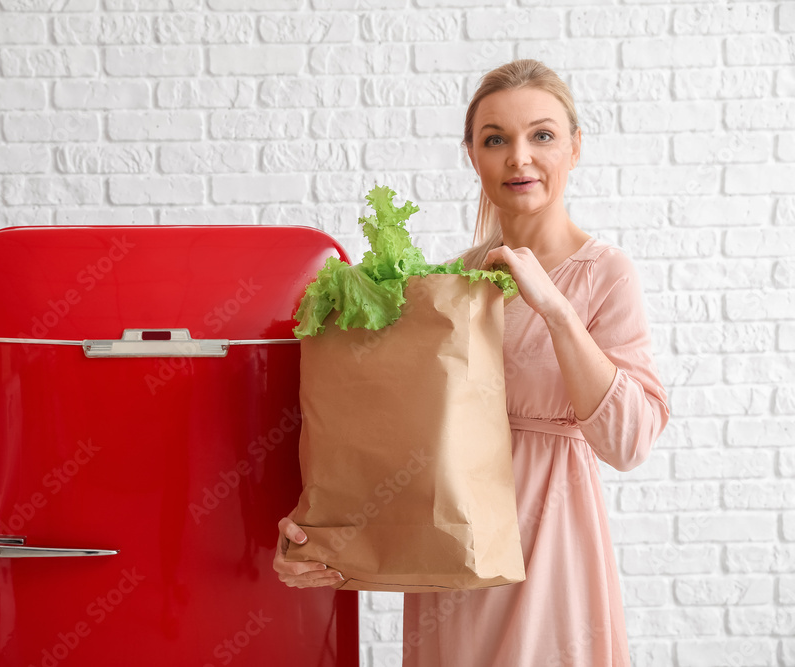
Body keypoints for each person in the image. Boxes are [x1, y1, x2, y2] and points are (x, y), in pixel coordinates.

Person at [273, 58, 670, 667]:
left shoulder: (605, 275)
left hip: (552, 549)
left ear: (575, 147)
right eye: (495, 139)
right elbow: (395, 436)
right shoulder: (451, 284)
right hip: (452, 551)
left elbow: (629, 441)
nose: (519, 158)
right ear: (472, 154)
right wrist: (324, 533)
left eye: (541, 135)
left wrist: (555, 310)